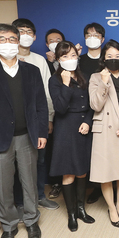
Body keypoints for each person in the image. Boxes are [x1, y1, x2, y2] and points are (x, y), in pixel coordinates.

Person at [0, 23, 49, 238]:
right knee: (3, 185)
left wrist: (42, 132)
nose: (7, 43)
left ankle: (32, 220)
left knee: (29, 181)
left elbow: (41, 104)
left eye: (12, 39)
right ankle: (8, 225)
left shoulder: (31, 70)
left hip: (28, 135)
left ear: (18, 42)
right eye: (2, 39)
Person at [88, 40, 119, 227]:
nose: (113, 59)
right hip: (105, 132)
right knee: (106, 173)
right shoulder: (95, 77)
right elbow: (95, 105)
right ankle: (111, 208)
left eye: (117, 56)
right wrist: (104, 83)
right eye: (109, 56)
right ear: (103, 58)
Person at [10, 18, 58, 210]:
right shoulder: (1, 59)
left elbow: (47, 92)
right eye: (21, 31)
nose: (25, 35)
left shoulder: (39, 60)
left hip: (37, 120)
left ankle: (39, 195)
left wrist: (49, 118)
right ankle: (20, 201)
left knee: (40, 159)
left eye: (29, 31)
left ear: (35, 36)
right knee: (15, 164)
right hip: (14, 123)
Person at [48, 41, 95, 232]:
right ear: (58, 59)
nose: (70, 59)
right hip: (65, 128)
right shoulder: (54, 80)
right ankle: (72, 214)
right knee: (68, 173)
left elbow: (92, 104)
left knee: (82, 171)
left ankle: (81, 209)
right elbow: (60, 108)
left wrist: (88, 122)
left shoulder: (85, 77)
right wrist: (66, 84)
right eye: (65, 56)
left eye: (73, 55)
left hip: (84, 127)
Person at [79, 22, 106, 205]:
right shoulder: (77, 60)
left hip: (103, 110)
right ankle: (89, 186)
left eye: (96, 35)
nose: (92, 38)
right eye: (89, 35)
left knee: (101, 153)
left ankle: (100, 187)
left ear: (102, 39)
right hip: (82, 111)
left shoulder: (108, 59)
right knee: (86, 152)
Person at [43, 28, 65, 199]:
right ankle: (56, 183)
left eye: (58, 40)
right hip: (53, 112)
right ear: (46, 44)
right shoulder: (44, 63)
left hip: (71, 112)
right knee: (54, 151)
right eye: (51, 40)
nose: (55, 43)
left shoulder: (72, 60)